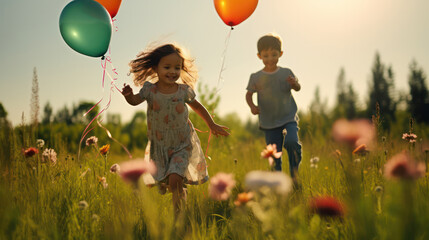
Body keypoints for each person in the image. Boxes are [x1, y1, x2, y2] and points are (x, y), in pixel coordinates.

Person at [122, 43, 229, 215]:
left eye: (177, 68)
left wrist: (212, 124)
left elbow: (198, 107)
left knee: (175, 179)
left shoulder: (182, 91)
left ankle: (179, 217)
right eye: (167, 67)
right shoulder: (150, 90)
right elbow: (135, 101)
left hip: (182, 143)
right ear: (156, 68)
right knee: (169, 183)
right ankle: (180, 196)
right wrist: (128, 96)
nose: (172, 72)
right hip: (160, 144)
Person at [245, 33, 302, 184]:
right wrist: (252, 107)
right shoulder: (255, 77)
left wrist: (294, 83)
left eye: (274, 54)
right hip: (269, 122)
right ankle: (278, 185)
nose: (270, 58)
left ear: (280, 54)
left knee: (291, 142)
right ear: (259, 56)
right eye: (266, 55)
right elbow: (249, 94)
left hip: (288, 117)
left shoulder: (286, 72)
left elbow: (298, 88)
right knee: (274, 155)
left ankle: (295, 176)